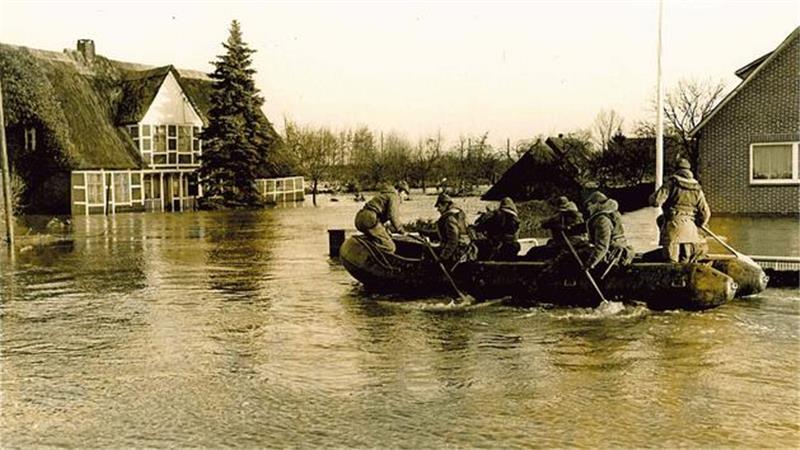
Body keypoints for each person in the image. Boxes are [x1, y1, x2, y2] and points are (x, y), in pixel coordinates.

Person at [649, 158, 711, 263]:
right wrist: (698, 224)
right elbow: (706, 213)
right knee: (686, 263)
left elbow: (655, 202)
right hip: (691, 232)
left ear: (676, 169)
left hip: (673, 229)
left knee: (671, 263)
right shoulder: (697, 188)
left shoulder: (671, 183)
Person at [583, 191, 634, 272]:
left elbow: (602, 246)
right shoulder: (610, 214)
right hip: (616, 249)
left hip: (612, 255)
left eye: (590, 205)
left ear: (597, 204)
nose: (588, 209)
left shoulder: (602, 220)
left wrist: (590, 264)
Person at [353, 181, 410, 253]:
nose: (404, 197)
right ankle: (371, 261)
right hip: (370, 220)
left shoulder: (385, 194)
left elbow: (381, 215)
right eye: (405, 194)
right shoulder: (394, 196)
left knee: (377, 240)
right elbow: (393, 216)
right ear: (400, 191)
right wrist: (402, 231)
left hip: (361, 218)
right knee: (390, 247)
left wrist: (385, 230)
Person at [525, 196, 586, 260]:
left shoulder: (562, 214)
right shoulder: (579, 215)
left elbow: (544, 224)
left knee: (534, 251)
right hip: (580, 242)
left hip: (566, 244)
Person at [433, 193, 478, 268]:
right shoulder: (460, 215)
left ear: (446, 205)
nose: (438, 209)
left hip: (457, 255)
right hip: (467, 251)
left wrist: (443, 257)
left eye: (439, 206)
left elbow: (453, 239)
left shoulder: (449, 218)